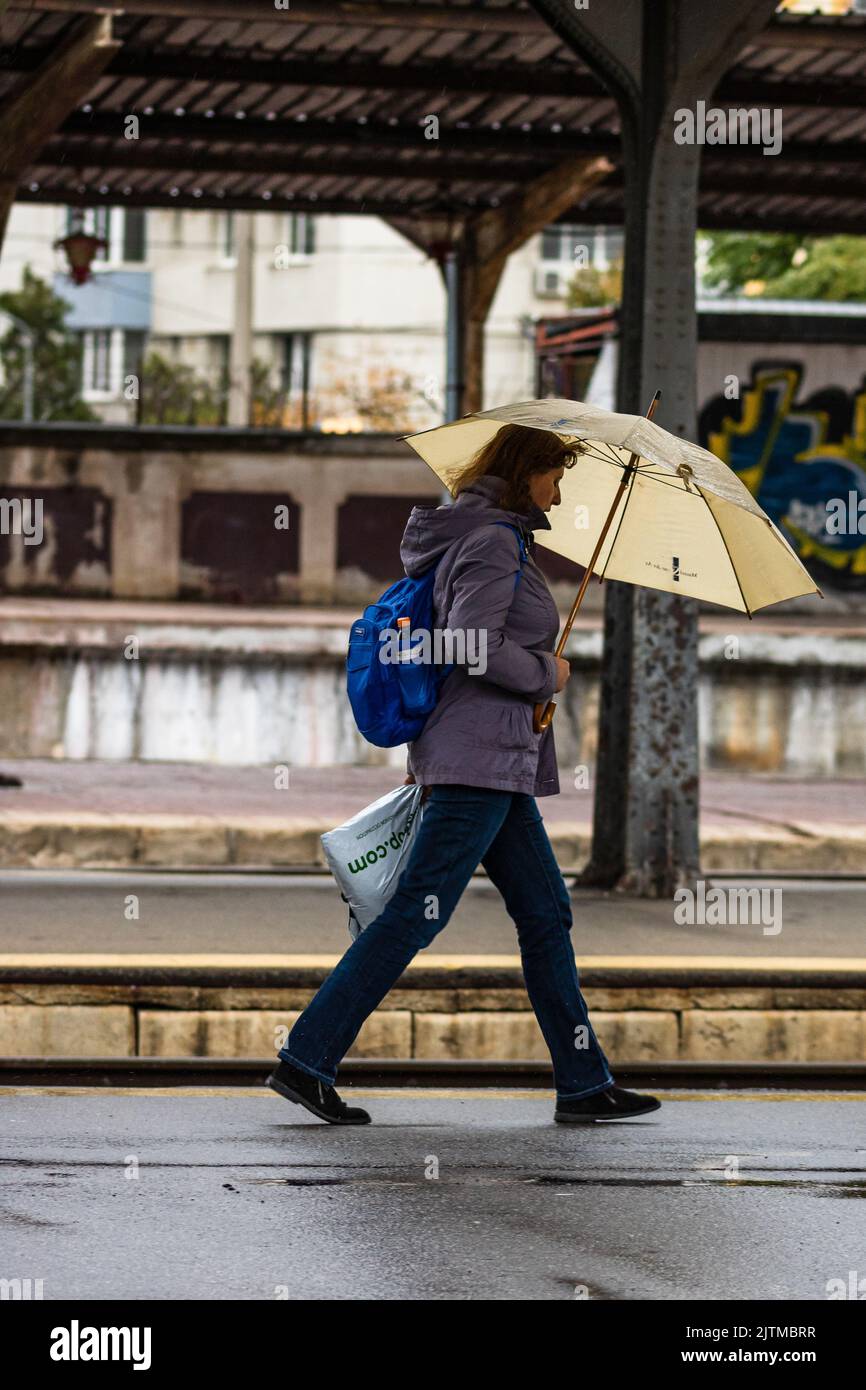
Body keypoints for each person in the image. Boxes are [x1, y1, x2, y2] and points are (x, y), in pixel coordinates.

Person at [267, 423, 661, 1126]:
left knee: (546, 915)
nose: (559, 490)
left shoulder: (490, 535)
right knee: (413, 916)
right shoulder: (491, 541)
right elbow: (475, 646)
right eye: (554, 475)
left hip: (496, 762)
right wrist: (549, 673)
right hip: (477, 762)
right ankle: (306, 1058)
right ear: (527, 470)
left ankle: (582, 1081)